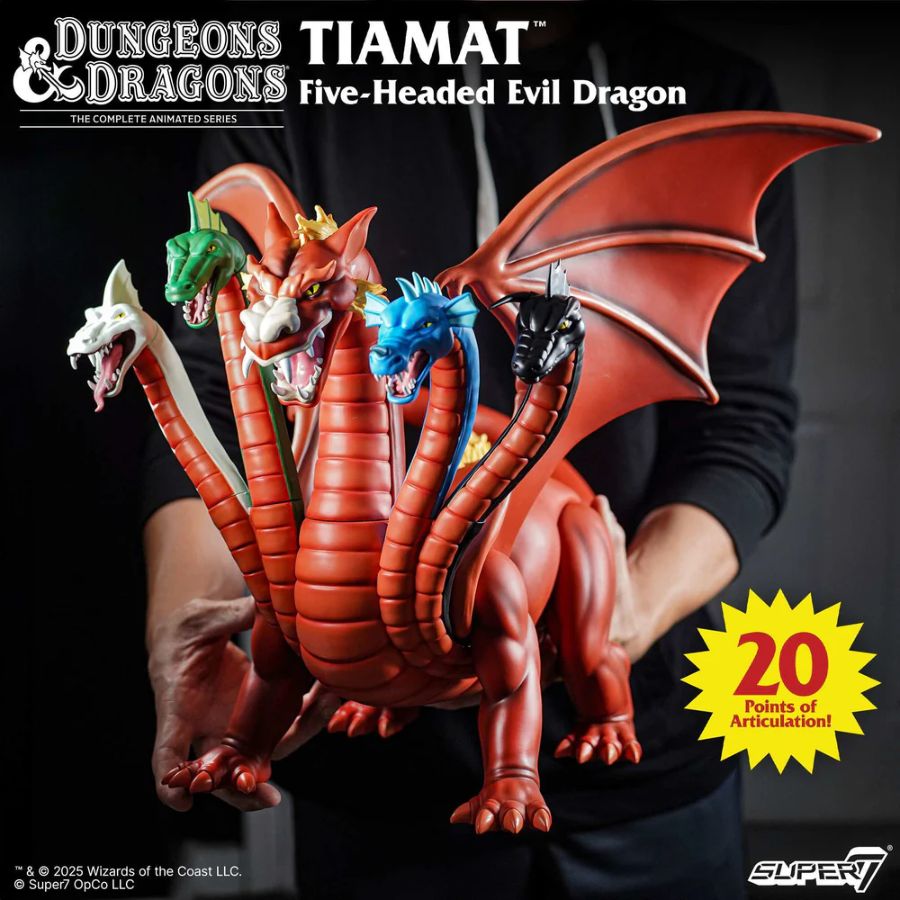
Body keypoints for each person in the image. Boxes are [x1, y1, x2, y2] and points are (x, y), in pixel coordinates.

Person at [141, 14, 797, 899]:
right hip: (377, 789)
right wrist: (192, 627)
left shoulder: (705, 89)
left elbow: (742, 420)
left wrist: (617, 622)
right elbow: (218, 401)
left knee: (506, 606)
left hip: (650, 749)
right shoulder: (297, 80)